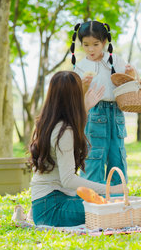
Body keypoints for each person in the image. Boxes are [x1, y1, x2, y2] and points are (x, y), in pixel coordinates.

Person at [29, 71, 125, 226]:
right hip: (53, 207)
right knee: (114, 208)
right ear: (75, 97)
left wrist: (85, 109)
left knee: (104, 203)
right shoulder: (64, 132)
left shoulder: (49, 123)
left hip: (47, 202)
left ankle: (33, 214)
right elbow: (68, 180)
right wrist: (110, 189)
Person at [70, 20, 135, 185]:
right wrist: (83, 86)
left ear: (104, 42)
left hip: (116, 113)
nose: (90, 49)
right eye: (86, 45)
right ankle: (92, 199)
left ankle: (118, 198)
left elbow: (127, 86)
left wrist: (130, 74)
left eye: (95, 44)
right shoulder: (81, 67)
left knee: (117, 156)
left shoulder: (115, 61)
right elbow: (77, 98)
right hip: (94, 113)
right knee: (94, 156)